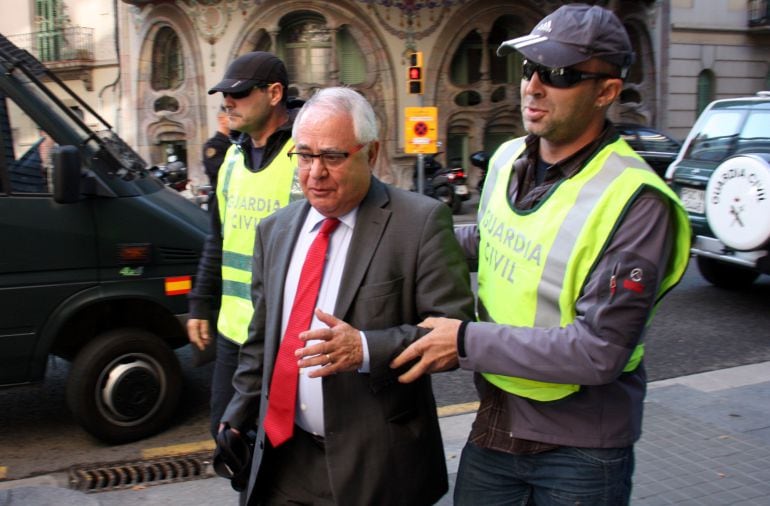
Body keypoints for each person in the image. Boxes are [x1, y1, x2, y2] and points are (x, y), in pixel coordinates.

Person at [391, 4, 692, 505]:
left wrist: (464, 340)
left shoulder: (636, 200)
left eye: (559, 75)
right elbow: (491, 242)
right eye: (530, 67)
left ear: (607, 92)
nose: (532, 85)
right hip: (499, 421)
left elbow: (600, 352)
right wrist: (400, 246)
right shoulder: (509, 157)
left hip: (579, 450)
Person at [218, 86, 475, 505]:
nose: (315, 172)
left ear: (370, 155)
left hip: (377, 466)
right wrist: (237, 414)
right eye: (304, 155)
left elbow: (453, 336)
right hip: (282, 459)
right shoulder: (275, 230)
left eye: (333, 157)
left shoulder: (420, 222)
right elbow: (263, 339)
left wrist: (367, 348)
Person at [187, 51, 303, 438]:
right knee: (228, 442)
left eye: (238, 93)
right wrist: (201, 305)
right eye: (224, 95)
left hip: (289, 337)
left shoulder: (306, 156)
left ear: (273, 93)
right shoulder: (232, 161)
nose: (227, 102)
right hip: (234, 336)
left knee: (283, 448)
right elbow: (217, 239)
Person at [202, 105, 232, 191]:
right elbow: (225, 172)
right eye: (230, 116)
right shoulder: (213, 146)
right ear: (222, 119)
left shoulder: (234, 143)